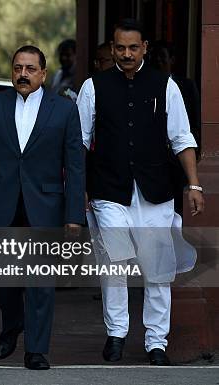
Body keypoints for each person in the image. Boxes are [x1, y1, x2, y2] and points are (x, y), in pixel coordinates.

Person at [77, 19, 204, 366]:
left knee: (158, 268)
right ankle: (116, 334)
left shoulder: (167, 85)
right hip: (108, 190)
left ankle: (156, 341)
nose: (127, 54)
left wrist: (193, 184)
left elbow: (182, 138)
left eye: (134, 48)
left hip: (156, 190)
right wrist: (80, 190)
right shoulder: (94, 86)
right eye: (120, 48)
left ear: (145, 47)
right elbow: (80, 142)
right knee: (114, 264)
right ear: (112, 48)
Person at [0, 45, 85, 370]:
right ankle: (13, 322)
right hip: (0, 203)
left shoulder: (63, 110)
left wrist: (74, 215)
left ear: (43, 74)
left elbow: (74, 166)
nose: (23, 74)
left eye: (30, 68)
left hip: (44, 205)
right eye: (18, 67)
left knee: (40, 283)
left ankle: (36, 350)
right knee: (2, 280)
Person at [149, 40, 202, 216]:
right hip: (152, 162)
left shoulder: (186, 85)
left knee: (175, 213)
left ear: (172, 60)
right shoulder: (145, 85)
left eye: (162, 58)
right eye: (155, 58)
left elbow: (194, 122)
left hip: (176, 161)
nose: (158, 62)